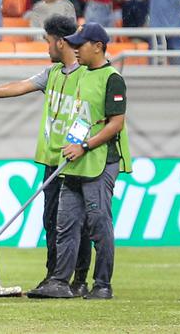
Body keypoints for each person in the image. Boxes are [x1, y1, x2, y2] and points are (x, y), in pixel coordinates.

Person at [0, 15, 93, 295]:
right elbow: (19, 86)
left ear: (60, 42)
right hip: (51, 159)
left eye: (47, 42)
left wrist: (81, 145)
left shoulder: (88, 74)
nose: (46, 48)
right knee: (50, 221)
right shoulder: (52, 73)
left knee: (75, 224)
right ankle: (54, 276)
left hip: (77, 160)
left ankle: (79, 280)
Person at [27, 23, 130, 300]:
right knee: (66, 224)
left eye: (80, 44)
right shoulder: (80, 75)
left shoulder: (113, 79)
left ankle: (103, 285)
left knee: (98, 224)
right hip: (74, 160)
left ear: (97, 46)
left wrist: (83, 146)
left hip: (99, 162)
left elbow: (115, 124)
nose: (75, 49)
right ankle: (61, 281)